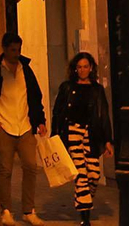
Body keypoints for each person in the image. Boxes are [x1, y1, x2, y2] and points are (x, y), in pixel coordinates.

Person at [0, 32, 46, 226]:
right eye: (12, 50)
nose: (16, 53)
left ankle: (29, 210)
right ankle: (6, 210)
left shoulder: (26, 69)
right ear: (4, 49)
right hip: (3, 126)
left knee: (31, 167)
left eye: (18, 49)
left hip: (25, 126)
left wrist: (39, 120)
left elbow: (35, 97)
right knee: (5, 170)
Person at [51, 52, 113, 226]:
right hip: (72, 133)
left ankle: (83, 199)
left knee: (94, 174)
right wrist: (55, 137)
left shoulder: (96, 89)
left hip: (91, 134)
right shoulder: (67, 87)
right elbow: (57, 112)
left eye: (86, 66)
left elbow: (104, 115)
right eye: (79, 67)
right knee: (81, 175)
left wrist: (108, 140)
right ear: (75, 69)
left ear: (91, 68)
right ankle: (85, 218)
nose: (83, 70)